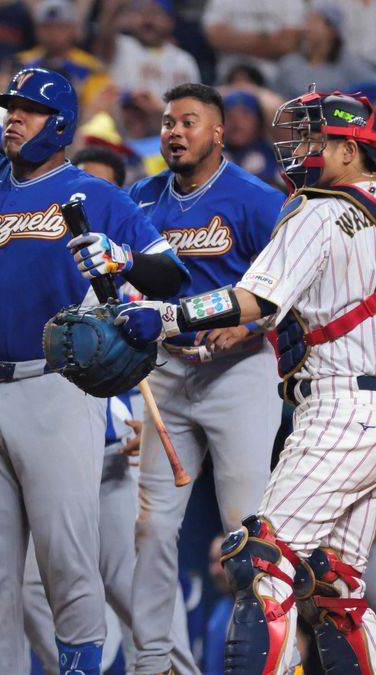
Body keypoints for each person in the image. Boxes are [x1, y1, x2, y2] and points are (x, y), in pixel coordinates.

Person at [0, 2, 188, 670]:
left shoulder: (94, 195)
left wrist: (123, 258)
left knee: (65, 563)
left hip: (53, 388)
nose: (12, 117)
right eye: (9, 107)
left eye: (27, 110)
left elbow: (171, 272)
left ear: (62, 125)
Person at [115, 88, 376, 675]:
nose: (303, 148)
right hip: (363, 408)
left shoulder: (320, 208)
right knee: (336, 587)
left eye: (316, 138)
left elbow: (252, 298)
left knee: (260, 561)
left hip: (338, 408)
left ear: (348, 147)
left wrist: (167, 315)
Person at [126, 82, 285, 675]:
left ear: (218, 132)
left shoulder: (256, 198)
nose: (175, 131)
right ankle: (157, 663)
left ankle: (273, 658)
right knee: (150, 529)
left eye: (189, 122)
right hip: (167, 372)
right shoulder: (140, 197)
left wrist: (247, 331)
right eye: (168, 122)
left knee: (245, 532)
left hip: (239, 373)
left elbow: (290, 290)